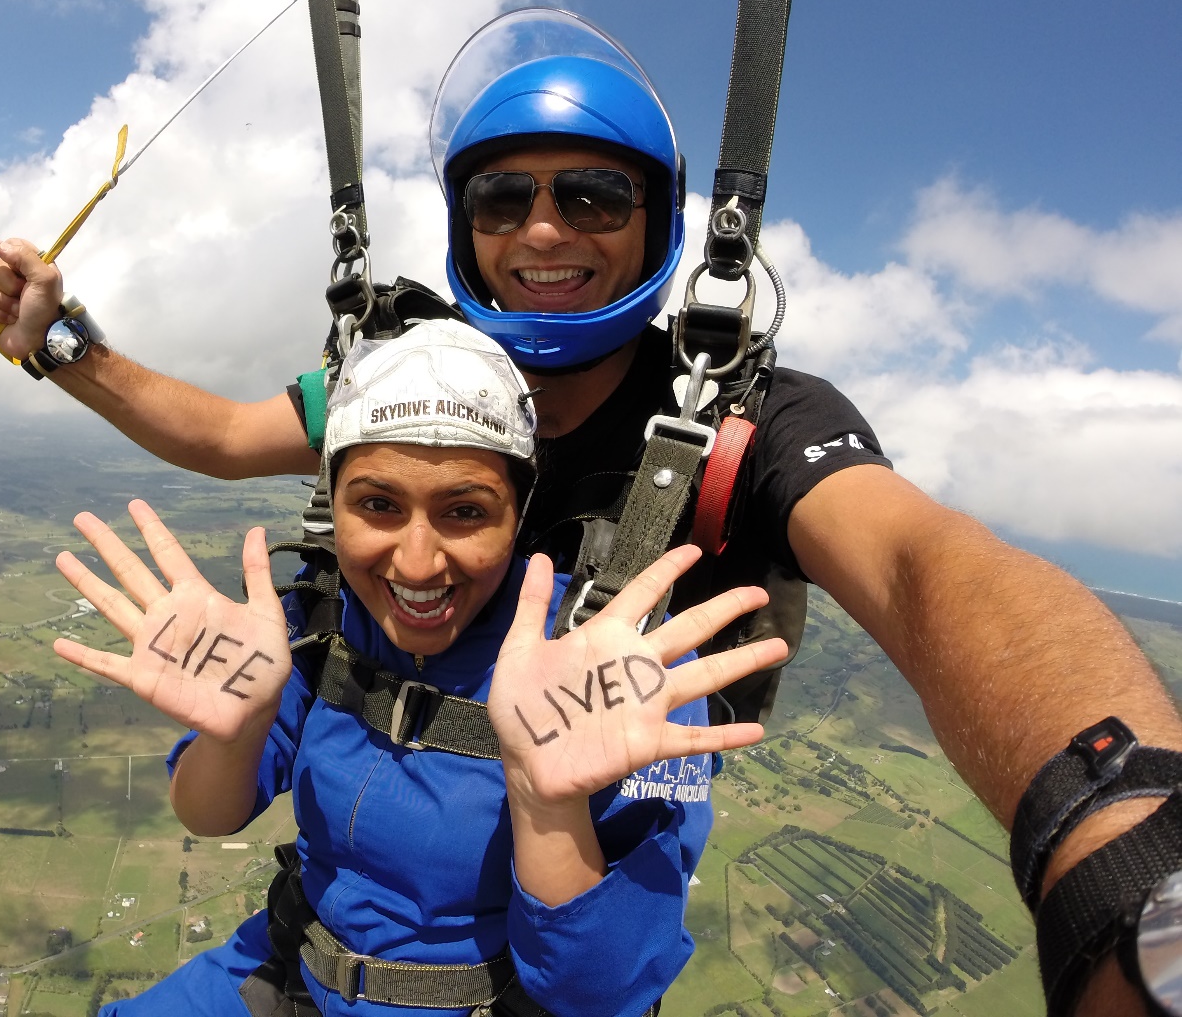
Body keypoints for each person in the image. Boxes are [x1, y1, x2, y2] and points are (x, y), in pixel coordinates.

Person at [0, 9, 1182, 1017]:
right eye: (502, 197)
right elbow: (221, 435)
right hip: (298, 955)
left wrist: (1115, 827)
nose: (543, 230)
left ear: (658, 217)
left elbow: (926, 568)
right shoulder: (409, 383)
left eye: (595, 195)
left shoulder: (742, 421)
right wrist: (59, 340)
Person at [52, 321, 786, 1017]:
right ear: (333, 505)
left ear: (519, 512)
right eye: (377, 504)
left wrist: (548, 805)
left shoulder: (613, 670)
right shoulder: (324, 613)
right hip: (286, 970)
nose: (417, 563)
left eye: (465, 512)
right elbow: (208, 815)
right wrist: (237, 731)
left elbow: (599, 993)